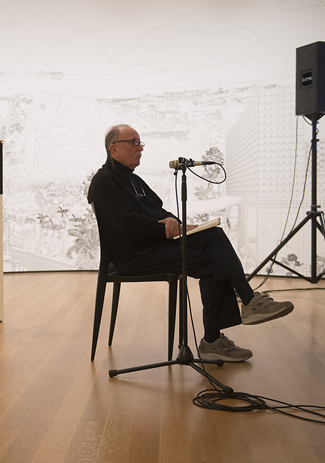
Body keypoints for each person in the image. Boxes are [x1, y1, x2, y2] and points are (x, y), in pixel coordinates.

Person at [87, 124, 294, 362]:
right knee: (213, 261)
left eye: (140, 143)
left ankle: (244, 306)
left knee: (213, 235)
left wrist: (179, 225)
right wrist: (164, 228)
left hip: (153, 246)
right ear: (114, 149)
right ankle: (221, 332)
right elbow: (125, 225)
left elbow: (158, 210)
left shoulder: (133, 180)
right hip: (134, 257)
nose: (140, 148)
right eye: (133, 143)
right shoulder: (104, 181)